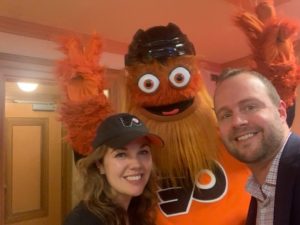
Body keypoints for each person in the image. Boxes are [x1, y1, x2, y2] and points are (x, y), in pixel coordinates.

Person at [213, 68, 300, 225]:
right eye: (225, 115)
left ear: (281, 112)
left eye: (250, 107)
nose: (237, 122)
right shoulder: (258, 190)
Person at [63, 113, 164, 225]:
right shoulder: (83, 221)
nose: (136, 164)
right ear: (100, 165)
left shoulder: (138, 211)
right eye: (121, 154)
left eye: (143, 152)